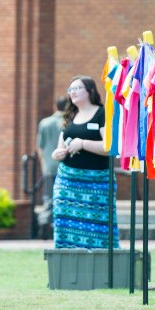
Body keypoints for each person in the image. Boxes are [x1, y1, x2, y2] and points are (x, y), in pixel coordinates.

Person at [50, 77, 117, 248]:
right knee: (64, 222)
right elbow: (60, 147)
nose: (72, 92)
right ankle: (66, 256)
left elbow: (110, 147)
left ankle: (99, 258)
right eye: (70, 89)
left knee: (99, 226)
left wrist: (83, 143)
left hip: (97, 183)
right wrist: (57, 153)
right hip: (67, 182)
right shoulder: (70, 116)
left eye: (77, 88)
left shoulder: (102, 113)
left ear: (90, 91)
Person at [36, 96, 69, 216]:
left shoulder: (44, 123)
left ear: (55, 107)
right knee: (65, 200)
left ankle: (48, 223)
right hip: (66, 167)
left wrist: (43, 165)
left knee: (49, 201)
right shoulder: (69, 123)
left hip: (49, 167)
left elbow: (40, 147)